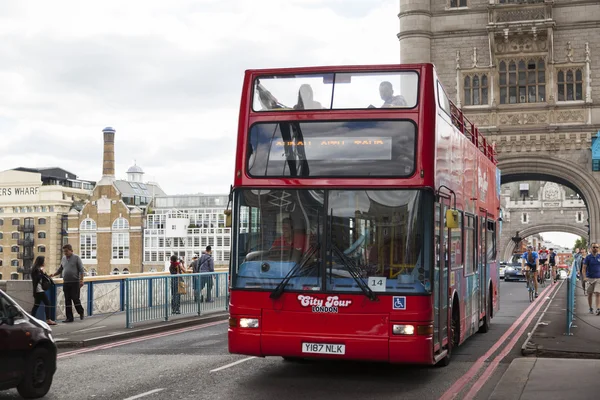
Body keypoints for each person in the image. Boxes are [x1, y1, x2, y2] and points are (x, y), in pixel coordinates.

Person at [51, 244, 85, 323]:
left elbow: (81, 270)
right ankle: (69, 318)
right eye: (64, 251)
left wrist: (81, 280)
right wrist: (53, 274)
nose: (65, 253)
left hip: (75, 282)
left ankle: (81, 311)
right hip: (66, 282)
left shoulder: (76, 258)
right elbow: (60, 269)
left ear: (71, 250)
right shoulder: (63, 259)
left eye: (66, 251)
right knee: (67, 300)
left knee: (75, 298)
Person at [30, 256, 56, 326]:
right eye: (43, 261)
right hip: (39, 290)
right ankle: (48, 319)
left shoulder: (37, 269)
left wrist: (46, 275)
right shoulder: (36, 269)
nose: (44, 262)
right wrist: (42, 272)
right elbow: (38, 278)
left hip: (38, 290)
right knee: (47, 303)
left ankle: (31, 319)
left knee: (36, 305)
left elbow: (42, 277)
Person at [581, 243, 600, 315]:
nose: (595, 248)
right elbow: (584, 268)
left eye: (597, 247)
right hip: (590, 278)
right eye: (594, 247)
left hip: (598, 278)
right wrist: (585, 277)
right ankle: (590, 308)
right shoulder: (588, 258)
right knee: (590, 294)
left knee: (598, 293)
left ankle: (598, 308)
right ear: (591, 248)